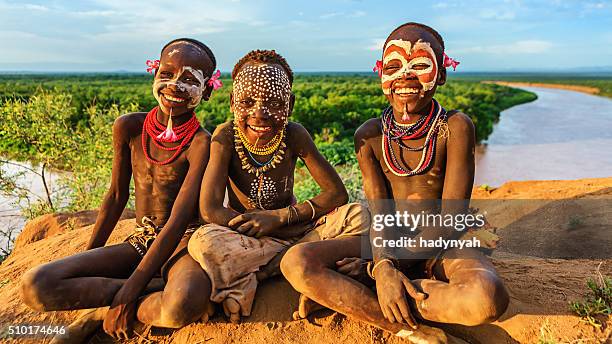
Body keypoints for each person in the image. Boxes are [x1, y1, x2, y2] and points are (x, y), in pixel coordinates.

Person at [280, 22, 509, 343]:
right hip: (388, 240)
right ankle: (412, 328)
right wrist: (384, 263)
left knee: (485, 298)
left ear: (441, 74)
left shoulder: (455, 127)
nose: (405, 75)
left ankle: (361, 297)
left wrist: (382, 268)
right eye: (394, 66)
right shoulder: (370, 135)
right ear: (381, 75)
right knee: (297, 262)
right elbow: (380, 212)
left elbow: (451, 218)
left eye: (419, 65)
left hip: (443, 243)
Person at [21, 38, 220, 340]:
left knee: (181, 304)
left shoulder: (201, 143)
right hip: (141, 241)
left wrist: (128, 292)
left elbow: (179, 220)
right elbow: (116, 195)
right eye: (167, 74)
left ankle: (108, 309)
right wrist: (91, 257)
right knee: (35, 286)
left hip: (182, 246)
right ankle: (152, 288)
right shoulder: (128, 127)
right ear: (154, 74)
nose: (175, 86)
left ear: (206, 91)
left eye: (189, 80)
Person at [189, 49, 370, 323]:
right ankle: (290, 266)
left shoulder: (294, 134)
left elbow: (337, 194)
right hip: (248, 237)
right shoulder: (225, 136)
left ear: (291, 104)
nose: (259, 113)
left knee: (360, 215)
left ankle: (259, 275)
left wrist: (280, 218)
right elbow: (211, 209)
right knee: (204, 242)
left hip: (297, 231)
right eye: (247, 102)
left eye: (274, 103)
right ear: (231, 102)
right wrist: (256, 225)